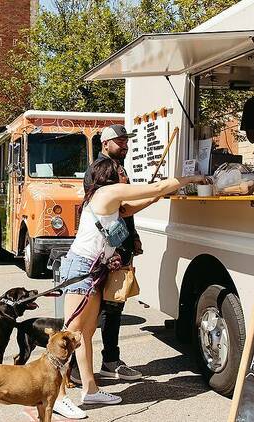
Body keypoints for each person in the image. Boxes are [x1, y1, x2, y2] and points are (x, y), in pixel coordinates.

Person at [57, 158, 205, 414]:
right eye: (121, 171)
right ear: (109, 175)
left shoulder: (108, 199)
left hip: (93, 270)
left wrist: (157, 197)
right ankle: (57, 397)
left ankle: (90, 391)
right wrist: (190, 179)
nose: (125, 175)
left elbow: (131, 209)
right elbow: (155, 188)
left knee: (86, 333)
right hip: (81, 269)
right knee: (70, 337)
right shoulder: (108, 191)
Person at [69, 124, 145, 387]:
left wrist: (132, 237)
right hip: (101, 253)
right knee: (98, 311)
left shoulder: (117, 167)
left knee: (113, 305)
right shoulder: (101, 171)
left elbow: (123, 212)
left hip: (116, 247)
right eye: (119, 141)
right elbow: (119, 210)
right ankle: (83, 369)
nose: (124, 145)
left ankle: (107, 362)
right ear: (105, 144)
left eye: (126, 141)